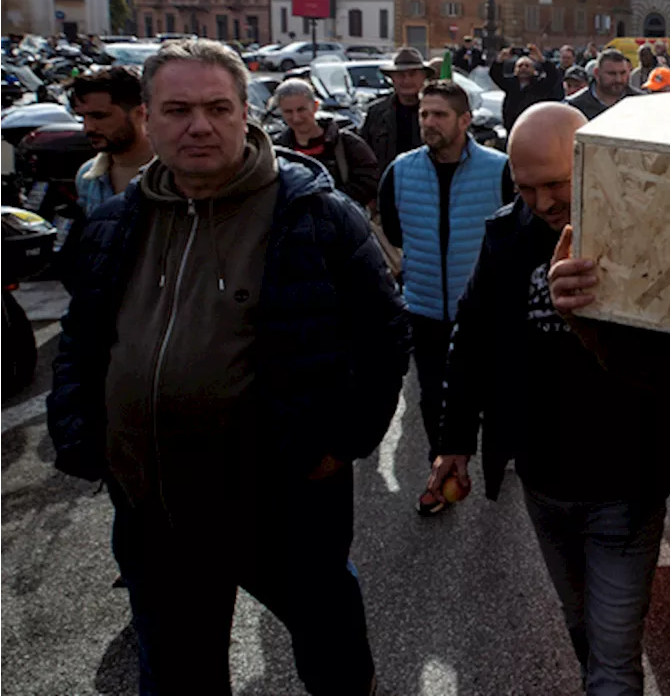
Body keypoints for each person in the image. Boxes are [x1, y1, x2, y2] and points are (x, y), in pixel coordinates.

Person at [47, 38, 411, 695]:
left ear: (247, 112)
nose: (199, 125)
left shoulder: (314, 216)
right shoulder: (115, 224)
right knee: (179, 672)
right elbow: (81, 339)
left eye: (218, 107)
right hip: (153, 509)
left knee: (334, 660)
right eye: (178, 109)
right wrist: (82, 435)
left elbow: (384, 337)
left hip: (284, 505)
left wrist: (339, 444)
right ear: (148, 120)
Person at [430, 102, 670, 694]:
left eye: (556, 184)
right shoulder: (506, 237)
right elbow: (471, 339)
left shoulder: (644, 234)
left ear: (591, 162)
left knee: (614, 660)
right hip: (543, 482)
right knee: (582, 627)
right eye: (525, 187)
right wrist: (454, 441)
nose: (541, 204)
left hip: (625, 486)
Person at [378, 79, 514, 515]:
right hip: (424, 308)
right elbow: (396, 234)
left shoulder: (500, 169)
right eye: (423, 114)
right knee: (434, 397)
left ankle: (498, 458)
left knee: (494, 392)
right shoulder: (400, 171)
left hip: (485, 312)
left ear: (465, 120)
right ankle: (443, 475)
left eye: (439, 115)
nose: (429, 123)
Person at [271, 78, 379, 207]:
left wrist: (328, 202)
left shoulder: (347, 144)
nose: (296, 118)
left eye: (301, 110)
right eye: (288, 112)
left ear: (315, 106)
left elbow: (369, 182)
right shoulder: (277, 151)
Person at [69, 66, 154, 218]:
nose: (88, 128)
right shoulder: (88, 177)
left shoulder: (173, 174)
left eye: (99, 116)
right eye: (83, 118)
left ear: (140, 113)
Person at [361, 47, 434, 179]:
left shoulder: (436, 112)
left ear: (423, 77)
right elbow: (363, 158)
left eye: (412, 74)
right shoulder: (376, 113)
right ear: (392, 78)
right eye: (401, 75)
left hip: (426, 186)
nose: (406, 80)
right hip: (387, 187)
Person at [489, 44, 564, 129]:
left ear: (534, 70)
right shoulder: (510, 84)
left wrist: (541, 60)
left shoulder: (540, 85)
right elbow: (495, 75)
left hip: (534, 126)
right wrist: (500, 60)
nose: (523, 68)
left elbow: (553, 76)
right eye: (520, 66)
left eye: (527, 66)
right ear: (515, 70)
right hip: (513, 126)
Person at [567, 48, 636, 120]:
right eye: (612, 74)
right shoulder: (576, 106)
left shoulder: (640, 102)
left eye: (623, 73)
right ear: (596, 73)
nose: (618, 79)